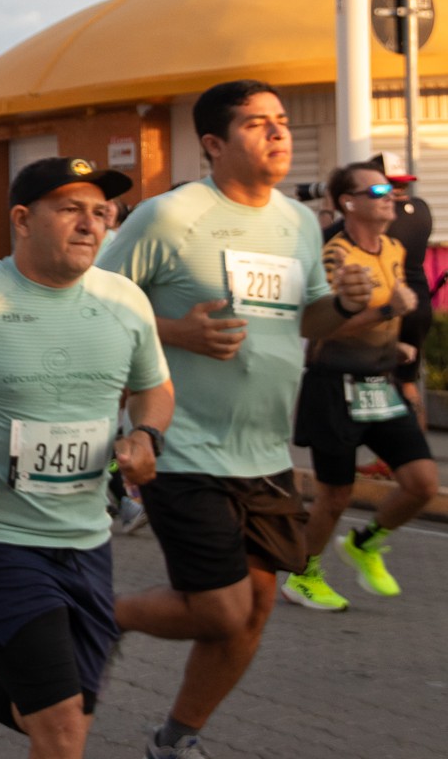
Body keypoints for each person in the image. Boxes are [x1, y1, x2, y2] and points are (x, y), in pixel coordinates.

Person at [99, 80, 373, 759]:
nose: (278, 133)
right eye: (257, 124)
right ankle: (94, 614)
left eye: (280, 122)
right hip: (180, 443)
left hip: (264, 452)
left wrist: (341, 305)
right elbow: (94, 304)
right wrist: (176, 333)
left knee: (250, 614)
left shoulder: (298, 223)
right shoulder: (169, 218)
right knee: (219, 608)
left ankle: (173, 739)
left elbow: (304, 320)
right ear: (214, 145)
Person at [0, 157, 173, 759]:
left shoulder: (124, 300)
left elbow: (156, 386)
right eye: (70, 209)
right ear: (23, 219)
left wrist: (147, 435)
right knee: (61, 733)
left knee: (55, 719)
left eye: (100, 212)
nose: (90, 224)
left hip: (87, 543)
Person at [281, 162, 439, 611]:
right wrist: (387, 312)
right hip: (334, 385)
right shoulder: (336, 254)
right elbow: (323, 329)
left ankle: (364, 543)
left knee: (422, 483)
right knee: (335, 494)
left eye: (389, 188)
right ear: (348, 203)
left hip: (379, 383)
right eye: (376, 189)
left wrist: (396, 349)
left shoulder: (391, 248)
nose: (388, 195)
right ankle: (303, 575)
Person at [369, 152, 433, 433]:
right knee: (408, 381)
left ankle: (390, 458)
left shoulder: (382, 217)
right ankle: (417, 450)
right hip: (420, 303)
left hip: (393, 305)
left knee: (382, 383)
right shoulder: (421, 209)